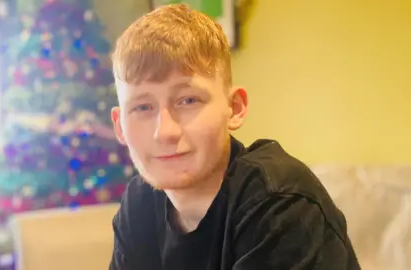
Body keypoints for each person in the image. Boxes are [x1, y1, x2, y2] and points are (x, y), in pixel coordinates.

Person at [109, 4, 360, 270]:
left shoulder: (278, 200)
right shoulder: (139, 204)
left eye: (188, 100)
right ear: (120, 127)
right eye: (142, 107)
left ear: (235, 108)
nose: (165, 131)